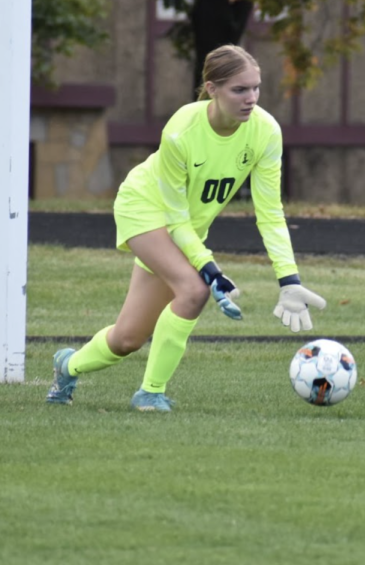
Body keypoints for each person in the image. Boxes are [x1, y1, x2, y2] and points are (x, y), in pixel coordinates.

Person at [45, 44, 327, 412]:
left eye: (256, 87)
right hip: (144, 208)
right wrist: (210, 269)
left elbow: (270, 211)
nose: (251, 98)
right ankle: (150, 393)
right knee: (194, 291)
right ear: (212, 89)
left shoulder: (266, 132)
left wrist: (288, 279)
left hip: (187, 227)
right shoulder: (181, 130)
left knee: (128, 338)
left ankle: (67, 365)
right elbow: (175, 218)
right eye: (239, 90)